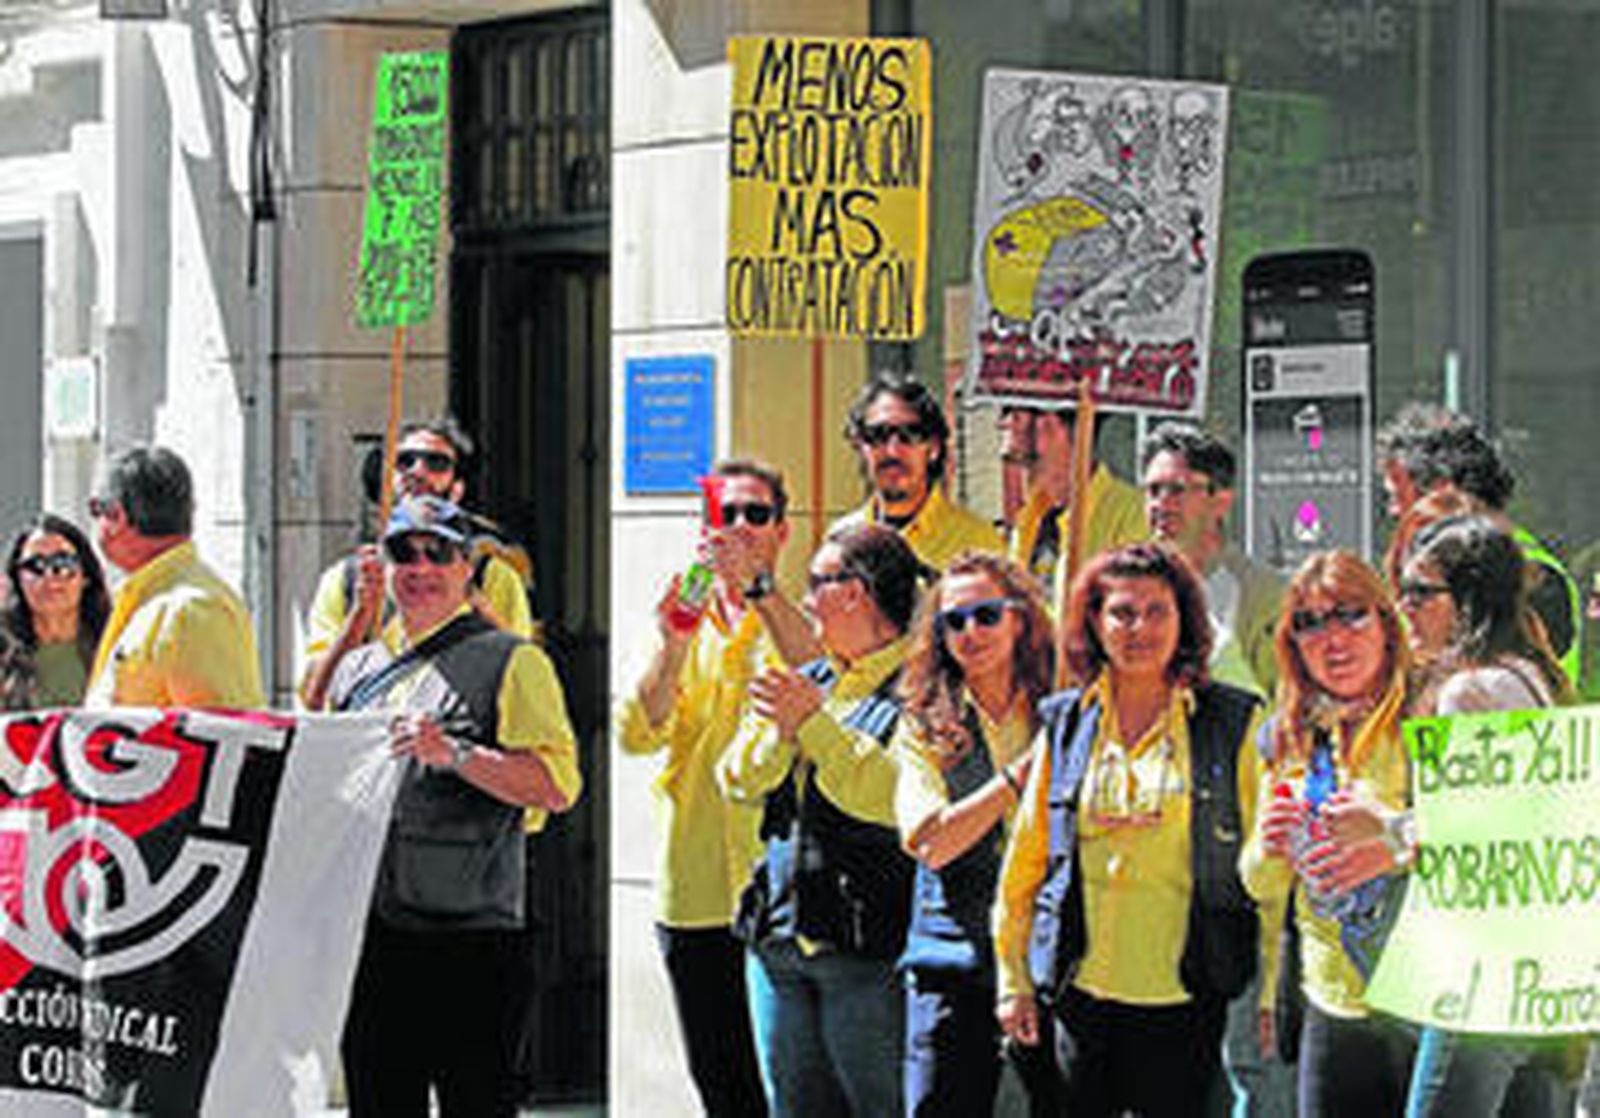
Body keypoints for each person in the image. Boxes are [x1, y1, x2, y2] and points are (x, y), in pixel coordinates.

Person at [327, 495, 580, 1118]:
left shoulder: (513, 660)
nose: (419, 568)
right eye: (402, 554)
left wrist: (458, 755)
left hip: (471, 939)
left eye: (437, 552)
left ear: (467, 567)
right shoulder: (360, 667)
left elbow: (556, 786)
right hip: (373, 937)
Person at [994, 543, 1265, 1117]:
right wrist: (1012, 977)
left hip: (1186, 997)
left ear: (1185, 620)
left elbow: (1267, 867)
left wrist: (1268, 995)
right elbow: (1026, 860)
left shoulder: (1232, 722)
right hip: (1081, 993)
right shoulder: (1067, 721)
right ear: (1094, 621)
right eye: (1121, 612)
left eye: (1157, 611)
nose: (1139, 628)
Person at [718, 523, 922, 1118]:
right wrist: (783, 736)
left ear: (855, 591)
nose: (806, 602)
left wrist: (813, 726)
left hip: (868, 951)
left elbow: (889, 796)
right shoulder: (809, 678)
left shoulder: (921, 686)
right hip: (779, 941)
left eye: (816, 585)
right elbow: (737, 778)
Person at [616, 458, 787, 1118]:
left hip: (773, 888)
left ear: (782, 532)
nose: (739, 528)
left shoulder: (796, 619)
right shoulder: (681, 611)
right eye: (725, 515)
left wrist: (760, 593)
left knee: (784, 1085)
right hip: (693, 889)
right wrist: (673, 644)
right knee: (720, 1083)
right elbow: (637, 733)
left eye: (756, 515)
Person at [1390, 515, 1571, 1118]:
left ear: (1465, 601)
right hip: (1536, 967)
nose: (1403, 606)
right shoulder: (1530, 674)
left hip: (1482, 970)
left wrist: (1382, 827)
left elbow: (1469, 834)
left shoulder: (1468, 693)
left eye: (1420, 592)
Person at [1139, 423, 1290, 1118]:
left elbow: (1292, 716)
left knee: (1244, 1060)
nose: (1160, 503)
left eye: (1176, 488)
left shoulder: (1265, 596)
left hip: (1237, 853)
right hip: (1145, 855)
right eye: (1152, 489)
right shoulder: (1126, 592)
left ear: (1220, 498)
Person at [1242, 550, 1416, 1117]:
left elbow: (1479, 838)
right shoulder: (1287, 734)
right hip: (1330, 1001)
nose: (1332, 639)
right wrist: (1269, 848)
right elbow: (1261, 885)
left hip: (1424, 997)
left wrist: (1391, 843)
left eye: (1350, 615)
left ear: (1387, 624)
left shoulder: (1428, 714)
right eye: (1310, 623)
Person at [891, 552, 1056, 1118]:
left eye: (986, 615)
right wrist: (1021, 775)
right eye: (953, 622)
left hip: (1050, 959)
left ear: (1020, 618)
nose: (971, 633)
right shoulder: (920, 722)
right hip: (952, 963)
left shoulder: (1064, 706)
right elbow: (932, 843)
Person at [300, 417, 535, 709]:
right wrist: (359, 617)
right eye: (404, 461)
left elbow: (527, 682)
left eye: (436, 463)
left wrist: (470, 598)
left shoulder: (493, 578)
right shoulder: (345, 580)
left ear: (458, 488)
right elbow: (313, 698)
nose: (418, 471)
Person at [1378, 402, 1581, 687]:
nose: (1393, 511)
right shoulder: (1435, 571)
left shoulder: (1532, 578)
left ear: (1440, 489)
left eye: (1395, 494)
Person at [83, 446, 264, 710]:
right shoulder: (155, 597)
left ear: (116, 516)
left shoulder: (192, 608)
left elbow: (222, 734)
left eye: (95, 509)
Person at [835, 373, 1003, 575]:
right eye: (877, 435)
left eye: (910, 435)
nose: (893, 450)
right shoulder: (840, 538)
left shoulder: (978, 544)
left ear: (933, 448)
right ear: (860, 446)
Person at [1001, 404, 1146, 600]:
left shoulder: (1135, 517)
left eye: (1016, 410)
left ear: (1055, 424)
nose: (1006, 423)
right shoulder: (1031, 517)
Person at [1, 513, 111, 707]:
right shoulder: (4, 648)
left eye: (63, 563)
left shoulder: (115, 643)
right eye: (35, 566)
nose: (50, 577)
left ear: (85, 575)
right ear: (17, 579)